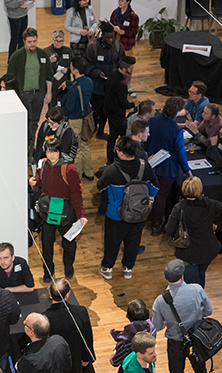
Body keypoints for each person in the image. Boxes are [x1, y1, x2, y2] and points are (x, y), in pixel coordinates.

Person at [152, 259, 213, 373]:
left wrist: (169, 322)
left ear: (167, 278)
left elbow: (157, 326)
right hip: (197, 340)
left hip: (175, 343)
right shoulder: (197, 289)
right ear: (182, 275)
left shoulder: (160, 301)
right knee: (200, 370)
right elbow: (208, 311)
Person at [98, 137, 157, 280]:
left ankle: (107, 268)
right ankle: (128, 268)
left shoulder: (111, 171)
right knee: (133, 242)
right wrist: (147, 202)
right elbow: (155, 187)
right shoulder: (144, 167)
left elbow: (101, 187)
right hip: (138, 213)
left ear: (120, 153)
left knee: (112, 243)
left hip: (115, 215)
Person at [30, 142, 85, 281]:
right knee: (46, 244)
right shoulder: (43, 164)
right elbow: (42, 182)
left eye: (54, 151)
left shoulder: (69, 169)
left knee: (69, 243)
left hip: (65, 212)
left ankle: (68, 266)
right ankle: (48, 271)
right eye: (49, 151)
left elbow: (76, 193)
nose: (51, 155)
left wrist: (81, 215)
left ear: (60, 152)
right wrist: (35, 181)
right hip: (48, 211)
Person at [164, 176, 222, 286]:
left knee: (191, 282)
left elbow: (168, 229)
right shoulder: (210, 204)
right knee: (201, 274)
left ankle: (195, 298)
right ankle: (200, 293)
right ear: (200, 189)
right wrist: (215, 222)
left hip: (187, 253)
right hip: (208, 249)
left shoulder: (179, 208)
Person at [146, 98, 190, 226]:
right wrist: (187, 170)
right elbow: (180, 153)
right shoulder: (176, 130)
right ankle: (157, 223)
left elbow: (146, 142)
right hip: (167, 169)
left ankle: (150, 220)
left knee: (152, 193)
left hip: (152, 164)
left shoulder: (152, 121)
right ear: (177, 111)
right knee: (161, 197)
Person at [7, 28, 55, 143]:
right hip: (23, 95)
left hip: (38, 94)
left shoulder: (43, 54)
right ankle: (24, 145)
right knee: (24, 123)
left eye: (34, 41)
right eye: (29, 42)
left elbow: (49, 75)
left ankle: (31, 146)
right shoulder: (16, 56)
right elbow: (9, 78)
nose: (32, 44)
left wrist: (48, 93)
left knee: (34, 122)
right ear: (24, 41)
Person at [84, 22, 120, 137]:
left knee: (107, 110)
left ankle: (101, 131)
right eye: (108, 37)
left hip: (111, 86)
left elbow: (121, 63)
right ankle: (92, 128)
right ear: (102, 35)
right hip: (96, 86)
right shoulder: (93, 48)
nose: (110, 40)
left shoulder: (118, 47)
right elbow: (87, 66)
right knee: (96, 109)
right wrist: (97, 72)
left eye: (112, 37)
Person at [61, 56, 95, 178]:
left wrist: (60, 110)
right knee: (85, 145)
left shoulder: (73, 90)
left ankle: (78, 175)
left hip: (75, 120)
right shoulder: (89, 82)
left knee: (77, 148)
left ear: (75, 70)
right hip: (86, 118)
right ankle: (89, 172)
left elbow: (68, 109)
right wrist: (69, 83)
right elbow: (79, 85)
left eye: (71, 67)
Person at [102, 55, 135, 163]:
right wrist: (133, 104)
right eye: (130, 68)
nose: (132, 70)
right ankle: (123, 159)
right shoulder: (121, 83)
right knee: (125, 138)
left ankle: (110, 160)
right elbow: (123, 103)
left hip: (109, 109)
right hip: (117, 113)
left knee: (112, 137)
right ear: (125, 68)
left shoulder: (113, 73)